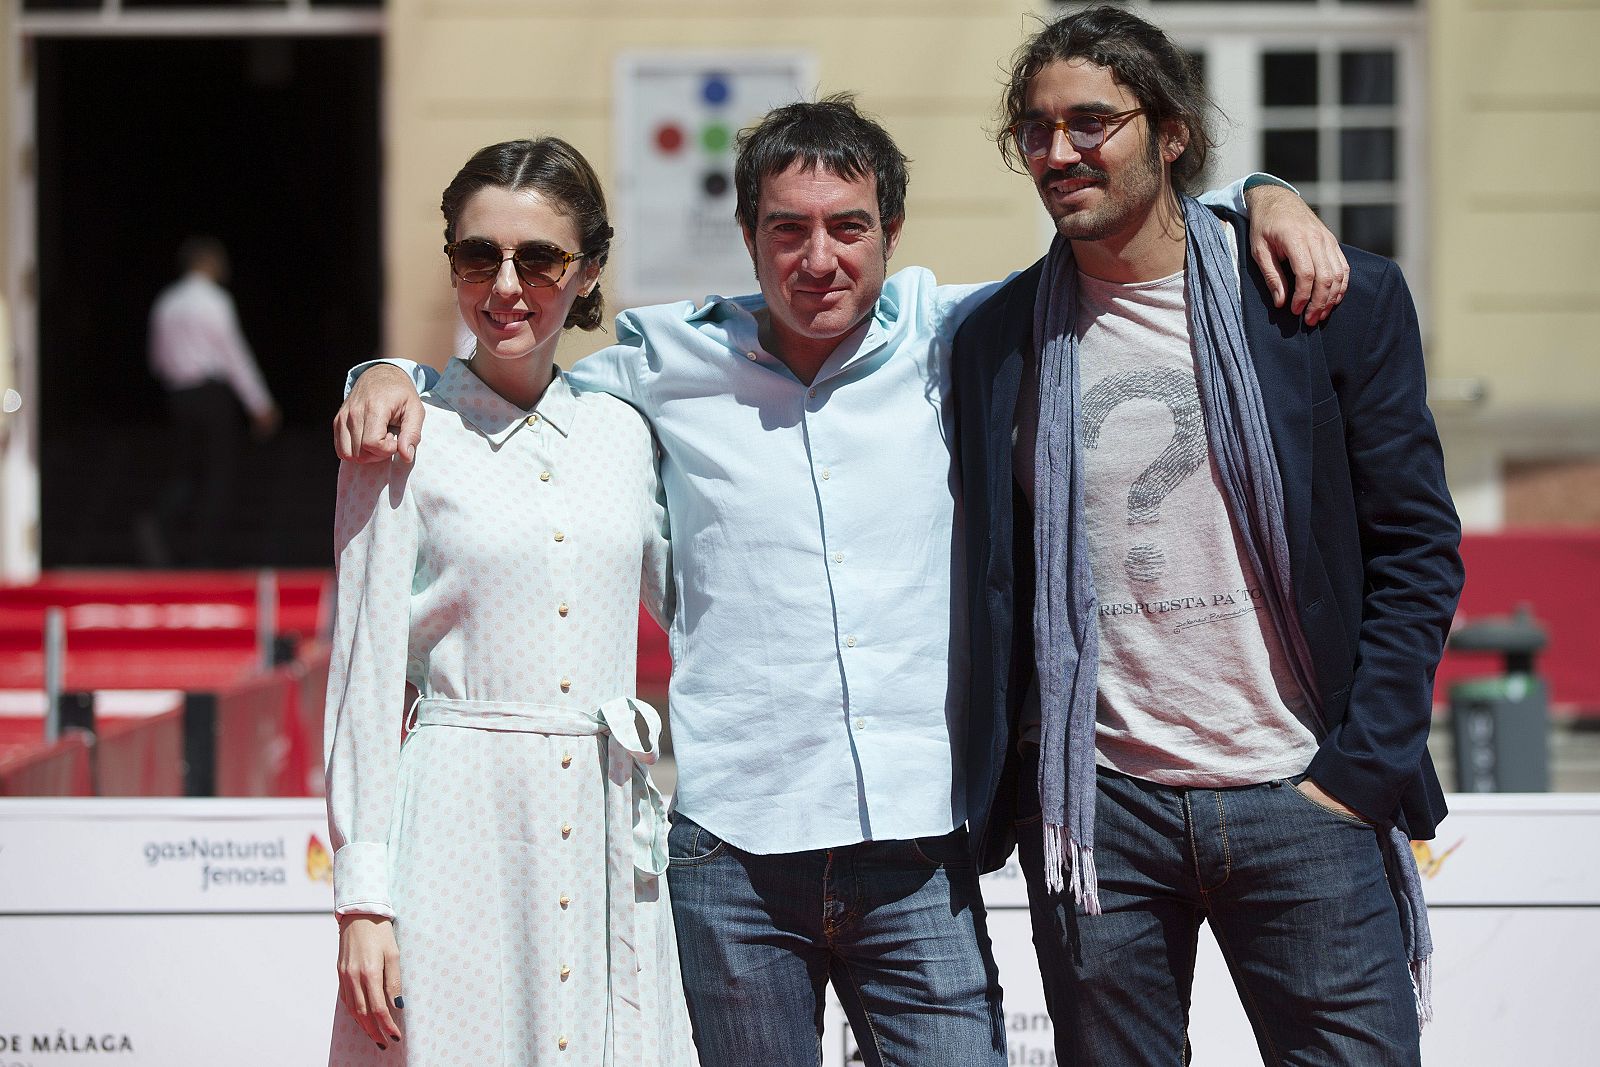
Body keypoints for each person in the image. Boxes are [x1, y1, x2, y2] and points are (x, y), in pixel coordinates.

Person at [333, 97, 1344, 1066]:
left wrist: (1259, 194)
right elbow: (505, 388)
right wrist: (382, 374)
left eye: (848, 227)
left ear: (891, 231)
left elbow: (1113, 245)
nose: (817, 258)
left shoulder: (956, 335)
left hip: (916, 847)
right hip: (730, 855)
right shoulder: (657, 366)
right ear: (746, 235)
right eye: (787, 229)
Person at [952, 8, 1464, 1065]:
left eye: (1091, 122)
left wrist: (1355, 776)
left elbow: (1416, 546)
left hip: (1300, 787)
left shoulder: (1317, 301)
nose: (1058, 152)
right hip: (1099, 812)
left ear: (1172, 131)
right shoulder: (996, 339)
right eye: (1035, 130)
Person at [323, 137, 695, 1066]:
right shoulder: (401, 438)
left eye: (540, 258)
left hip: (608, 822)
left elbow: (698, 608)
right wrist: (363, 899)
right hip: (455, 824)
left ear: (589, 270)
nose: (506, 286)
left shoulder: (626, 433)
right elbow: (365, 675)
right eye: (478, 255)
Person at [142, 236, 280, 566]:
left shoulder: (166, 302)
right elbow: (233, 355)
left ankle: (164, 524)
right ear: (207, 262)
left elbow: (157, 359)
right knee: (218, 472)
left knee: (186, 469)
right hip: (210, 394)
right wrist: (259, 403)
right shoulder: (214, 301)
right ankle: (205, 553)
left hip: (178, 395)